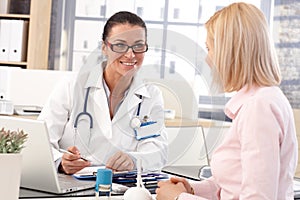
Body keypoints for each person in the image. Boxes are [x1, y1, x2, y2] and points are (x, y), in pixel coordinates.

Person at [156, 2, 298, 200]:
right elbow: (233, 183)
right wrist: (193, 190)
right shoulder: (260, 100)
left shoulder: (259, 107)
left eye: (210, 48)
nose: (207, 59)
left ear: (230, 50)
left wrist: (179, 199)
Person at [38, 11, 168, 175]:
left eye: (138, 46)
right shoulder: (71, 85)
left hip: (122, 188)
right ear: (104, 48)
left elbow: (158, 151)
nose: (130, 54)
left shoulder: (151, 95)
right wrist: (61, 162)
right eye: (120, 45)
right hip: (73, 185)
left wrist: (134, 160)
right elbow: (40, 143)